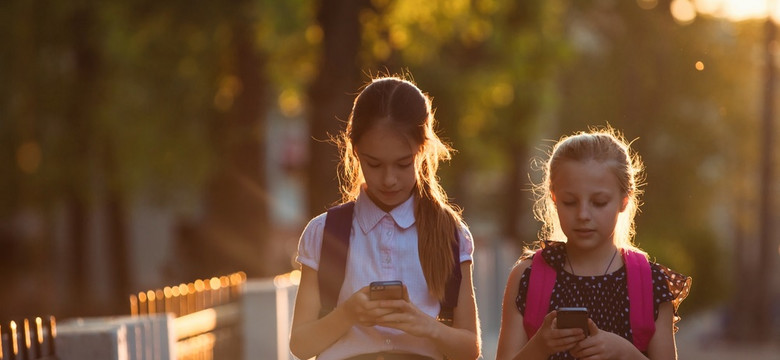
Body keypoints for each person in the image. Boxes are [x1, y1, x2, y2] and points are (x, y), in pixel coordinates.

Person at [289, 76, 481, 360]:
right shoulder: (324, 232)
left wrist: (426, 326)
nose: (389, 179)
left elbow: (470, 349)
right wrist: (348, 314)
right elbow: (300, 345)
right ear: (355, 152)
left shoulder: (450, 233)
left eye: (403, 164)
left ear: (422, 151)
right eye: (374, 164)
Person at [496, 127, 691, 360]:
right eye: (570, 202)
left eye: (598, 202)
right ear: (554, 198)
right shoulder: (527, 277)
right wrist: (539, 346)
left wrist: (624, 352)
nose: (583, 214)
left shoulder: (650, 284)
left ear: (624, 200)